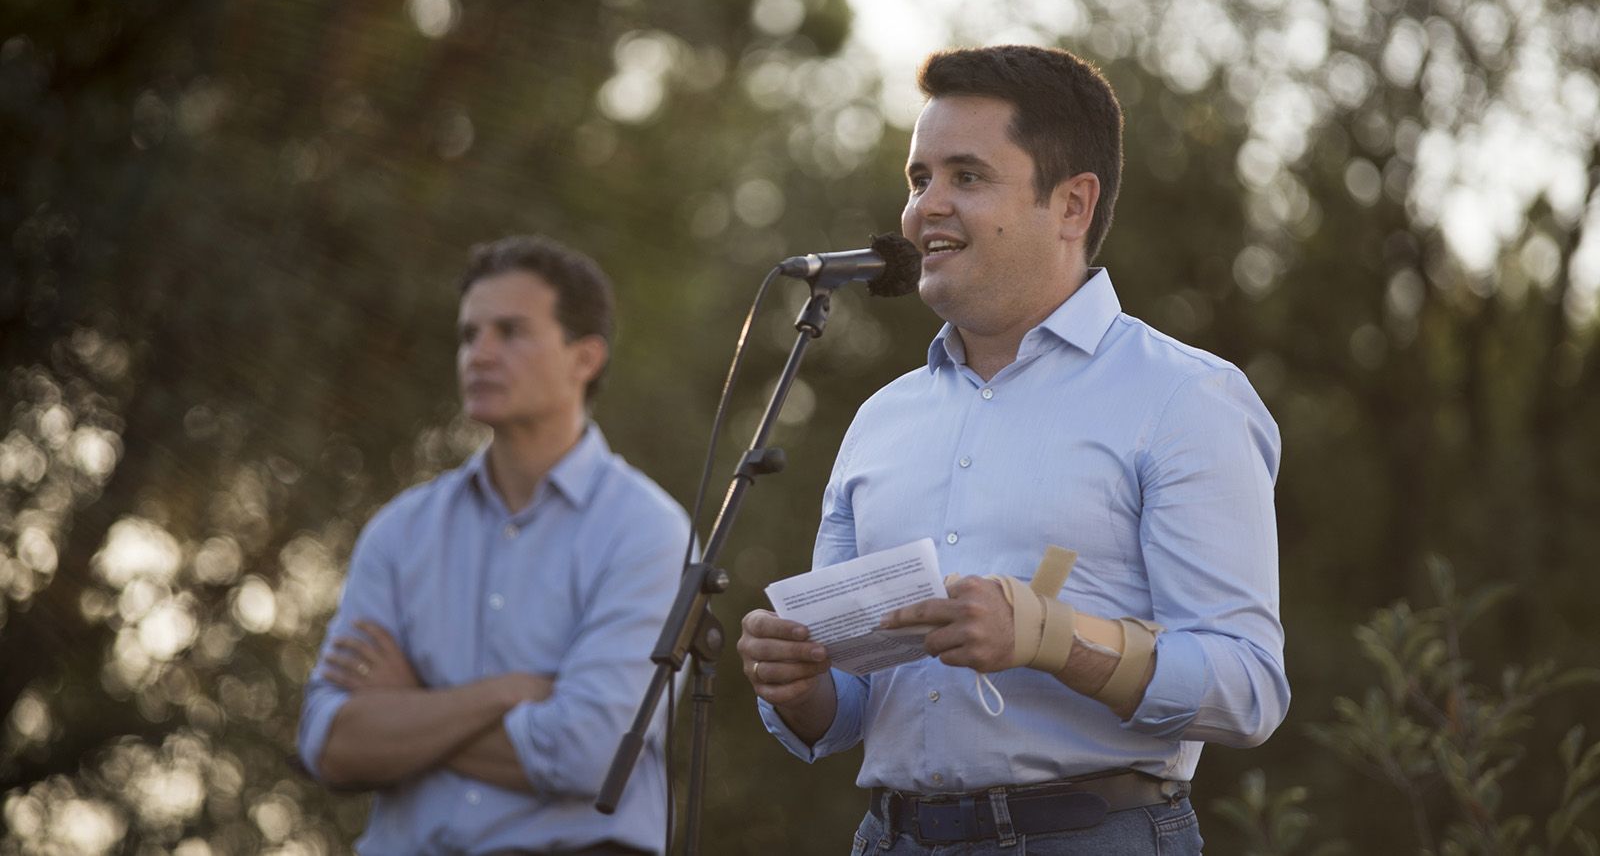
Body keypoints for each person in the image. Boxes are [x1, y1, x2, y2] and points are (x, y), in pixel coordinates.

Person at [736, 45, 1288, 854]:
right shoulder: (881, 421)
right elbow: (850, 705)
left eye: (967, 176)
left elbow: (1247, 688)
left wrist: (1049, 638)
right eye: (918, 179)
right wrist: (800, 684)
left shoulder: (1184, 399)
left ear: (1071, 204)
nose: (926, 208)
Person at [298, 235, 691, 856]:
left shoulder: (648, 531)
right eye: (467, 334)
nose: (478, 354)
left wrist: (408, 709)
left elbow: (591, 755)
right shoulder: (400, 530)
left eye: (510, 332)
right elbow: (330, 745)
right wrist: (505, 693)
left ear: (584, 358)